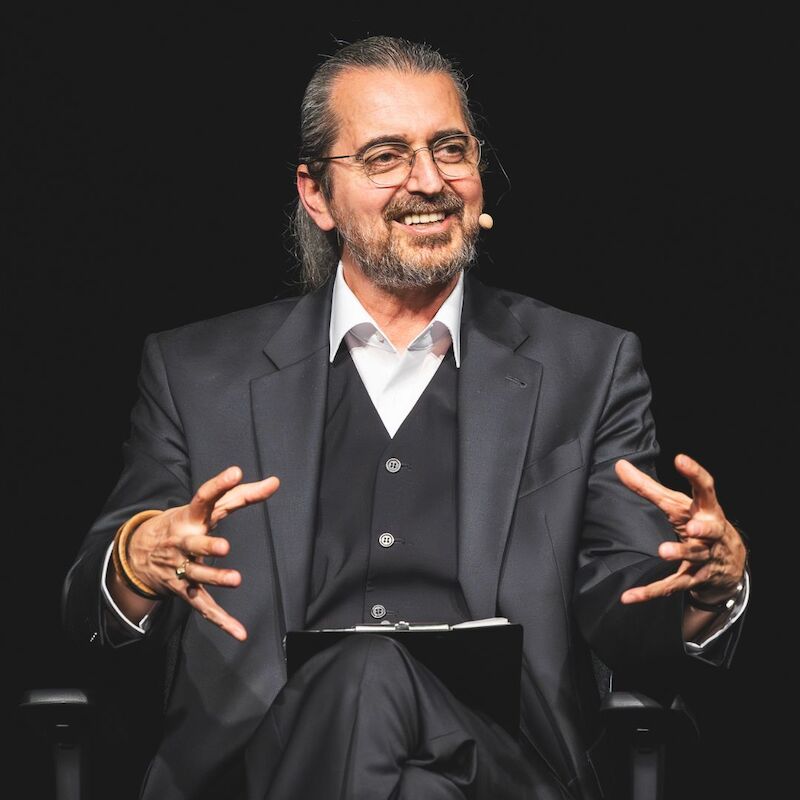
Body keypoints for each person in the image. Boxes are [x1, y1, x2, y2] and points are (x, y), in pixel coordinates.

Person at [62, 35, 749, 800]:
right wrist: (136, 559)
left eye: (450, 149)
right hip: (252, 768)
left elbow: (632, 603)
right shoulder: (197, 372)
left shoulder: (587, 367)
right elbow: (88, 607)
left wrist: (708, 588)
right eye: (386, 157)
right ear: (316, 194)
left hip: (509, 767)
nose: (429, 181)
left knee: (366, 673)